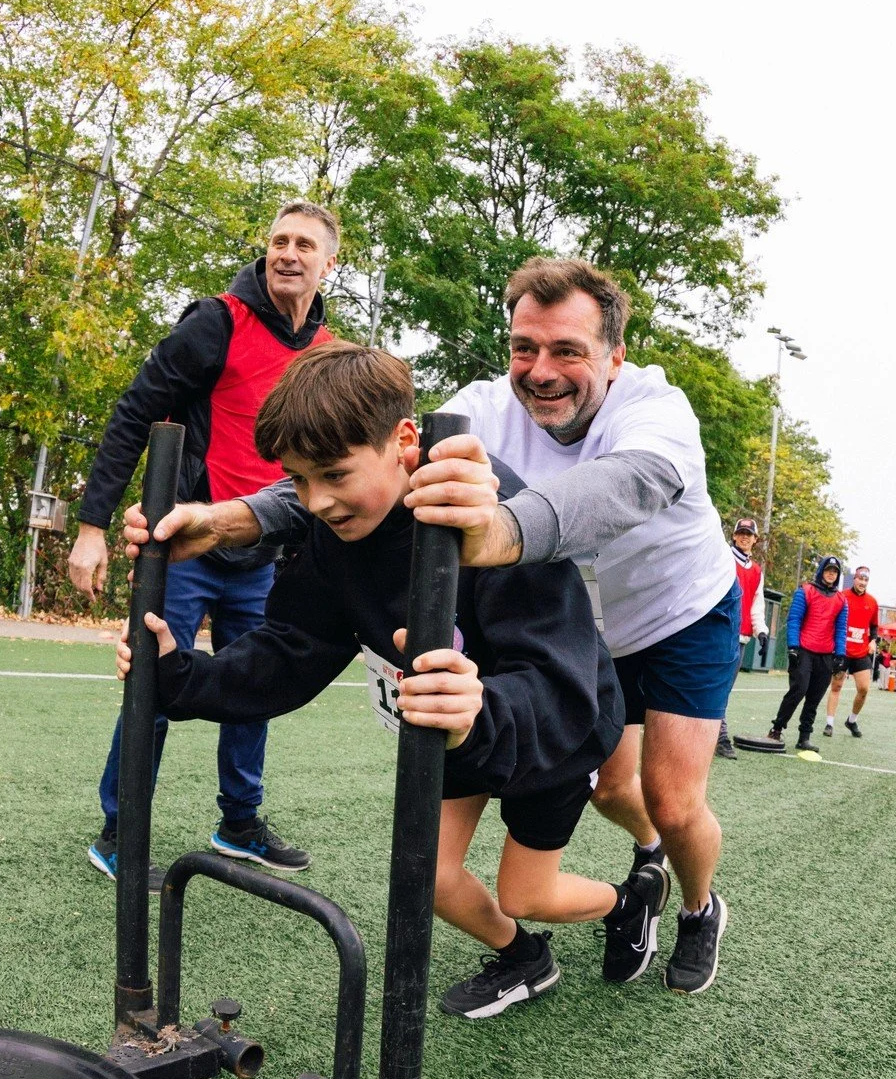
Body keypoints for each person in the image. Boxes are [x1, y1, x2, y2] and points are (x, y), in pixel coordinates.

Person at [209, 258, 740, 996]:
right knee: (613, 791)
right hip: (583, 633)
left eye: (567, 351)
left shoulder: (655, 409)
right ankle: (643, 870)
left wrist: (502, 531)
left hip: (679, 613)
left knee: (673, 800)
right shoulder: (479, 411)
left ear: (615, 357)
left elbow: (626, 484)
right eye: (524, 347)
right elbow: (365, 459)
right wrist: (237, 518)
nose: (541, 371)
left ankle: (695, 906)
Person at [119, 345, 672, 1021]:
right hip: (447, 722)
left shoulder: (492, 511)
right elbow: (292, 651)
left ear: (404, 442)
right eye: (298, 480)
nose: (316, 501)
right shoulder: (335, 532)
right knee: (427, 877)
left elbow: (561, 680)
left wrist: (478, 712)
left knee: (527, 892)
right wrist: (180, 673)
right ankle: (525, 956)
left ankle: (630, 899)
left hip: (550, 728)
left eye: (334, 474)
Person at [70, 200, 340, 878]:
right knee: (155, 684)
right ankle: (120, 831)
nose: (288, 254)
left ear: (329, 264)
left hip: (263, 556)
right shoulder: (216, 322)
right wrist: (91, 528)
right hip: (183, 544)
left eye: (304, 245)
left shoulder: (328, 355)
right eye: (279, 241)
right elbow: (134, 411)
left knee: (254, 685)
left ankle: (239, 823)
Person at [767, 556, 847, 757]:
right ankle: (777, 729)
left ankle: (804, 737)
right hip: (804, 651)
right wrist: (793, 647)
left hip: (825, 656)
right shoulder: (805, 591)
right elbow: (794, 619)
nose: (831, 574)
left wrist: (840, 655)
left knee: (815, 697)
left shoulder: (841, 600)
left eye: (835, 571)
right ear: (821, 571)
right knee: (798, 690)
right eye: (828, 570)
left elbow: (841, 629)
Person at [718, 516, 768, 761]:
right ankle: (720, 737)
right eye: (741, 533)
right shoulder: (722, 558)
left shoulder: (756, 571)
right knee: (716, 685)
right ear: (734, 536)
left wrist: (762, 631)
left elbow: (756, 604)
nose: (745, 537)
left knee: (725, 688)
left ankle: (713, 733)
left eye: (749, 534)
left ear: (755, 539)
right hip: (719, 630)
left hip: (741, 637)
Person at [823, 565, 878, 738]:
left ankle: (851, 720)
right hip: (842, 650)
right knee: (836, 686)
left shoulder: (872, 602)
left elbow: (874, 626)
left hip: (861, 652)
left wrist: (873, 640)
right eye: (860, 578)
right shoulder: (842, 596)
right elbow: (831, 619)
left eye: (865, 580)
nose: (862, 582)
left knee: (864, 689)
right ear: (854, 578)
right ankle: (829, 723)